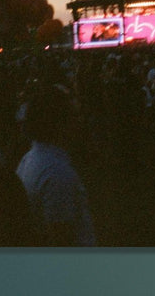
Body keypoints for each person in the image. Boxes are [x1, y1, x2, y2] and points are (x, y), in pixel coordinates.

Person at [15, 84, 96, 247]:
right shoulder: (57, 174)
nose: (80, 122)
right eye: (74, 115)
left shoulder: (29, 159)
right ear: (59, 121)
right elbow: (61, 238)